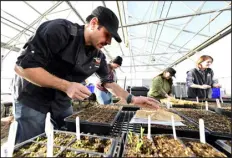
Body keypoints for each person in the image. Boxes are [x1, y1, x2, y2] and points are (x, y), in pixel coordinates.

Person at [13, 6, 160, 144]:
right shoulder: (60, 30)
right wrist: (66, 86)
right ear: (94, 23)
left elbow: (108, 82)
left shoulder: (98, 57)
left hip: (61, 100)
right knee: (29, 141)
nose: (109, 42)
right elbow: (22, 67)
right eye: (107, 35)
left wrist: (132, 98)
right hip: (32, 95)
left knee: (69, 136)